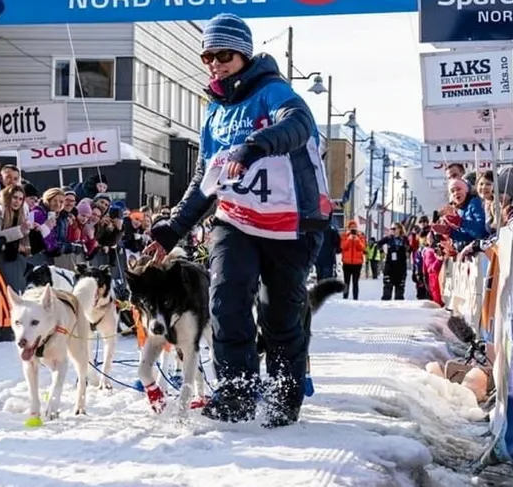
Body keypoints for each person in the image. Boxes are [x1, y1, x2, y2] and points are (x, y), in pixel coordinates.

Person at [144, 13, 329, 428]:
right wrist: (172, 229)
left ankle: (283, 396)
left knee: (278, 316)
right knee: (225, 303)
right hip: (237, 221)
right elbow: (203, 178)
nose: (215, 63)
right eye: (208, 56)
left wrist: (254, 146)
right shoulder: (213, 111)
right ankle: (237, 393)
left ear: (243, 54)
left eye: (223, 54)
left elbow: (299, 124)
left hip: (290, 225)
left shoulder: (273, 90)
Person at [339, 221, 365, 300]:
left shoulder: (360, 236)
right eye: (351, 227)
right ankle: (345, 297)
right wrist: (349, 239)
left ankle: (355, 298)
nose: (353, 229)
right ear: (349, 228)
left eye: (354, 227)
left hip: (357, 263)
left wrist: (357, 240)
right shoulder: (344, 236)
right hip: (347, 262)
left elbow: (362, 247)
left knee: (355, 282)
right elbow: (343, 247)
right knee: (346, 282)